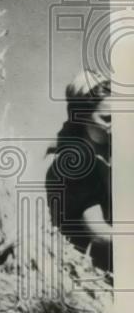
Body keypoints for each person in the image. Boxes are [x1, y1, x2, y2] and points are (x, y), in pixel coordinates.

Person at [46, 70, 112, 275]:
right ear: (81, 116)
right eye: (107, 118)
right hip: (86, 272)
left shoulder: (108, 154)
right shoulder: (75, 162)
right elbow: (98, 233)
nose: (115, 125)